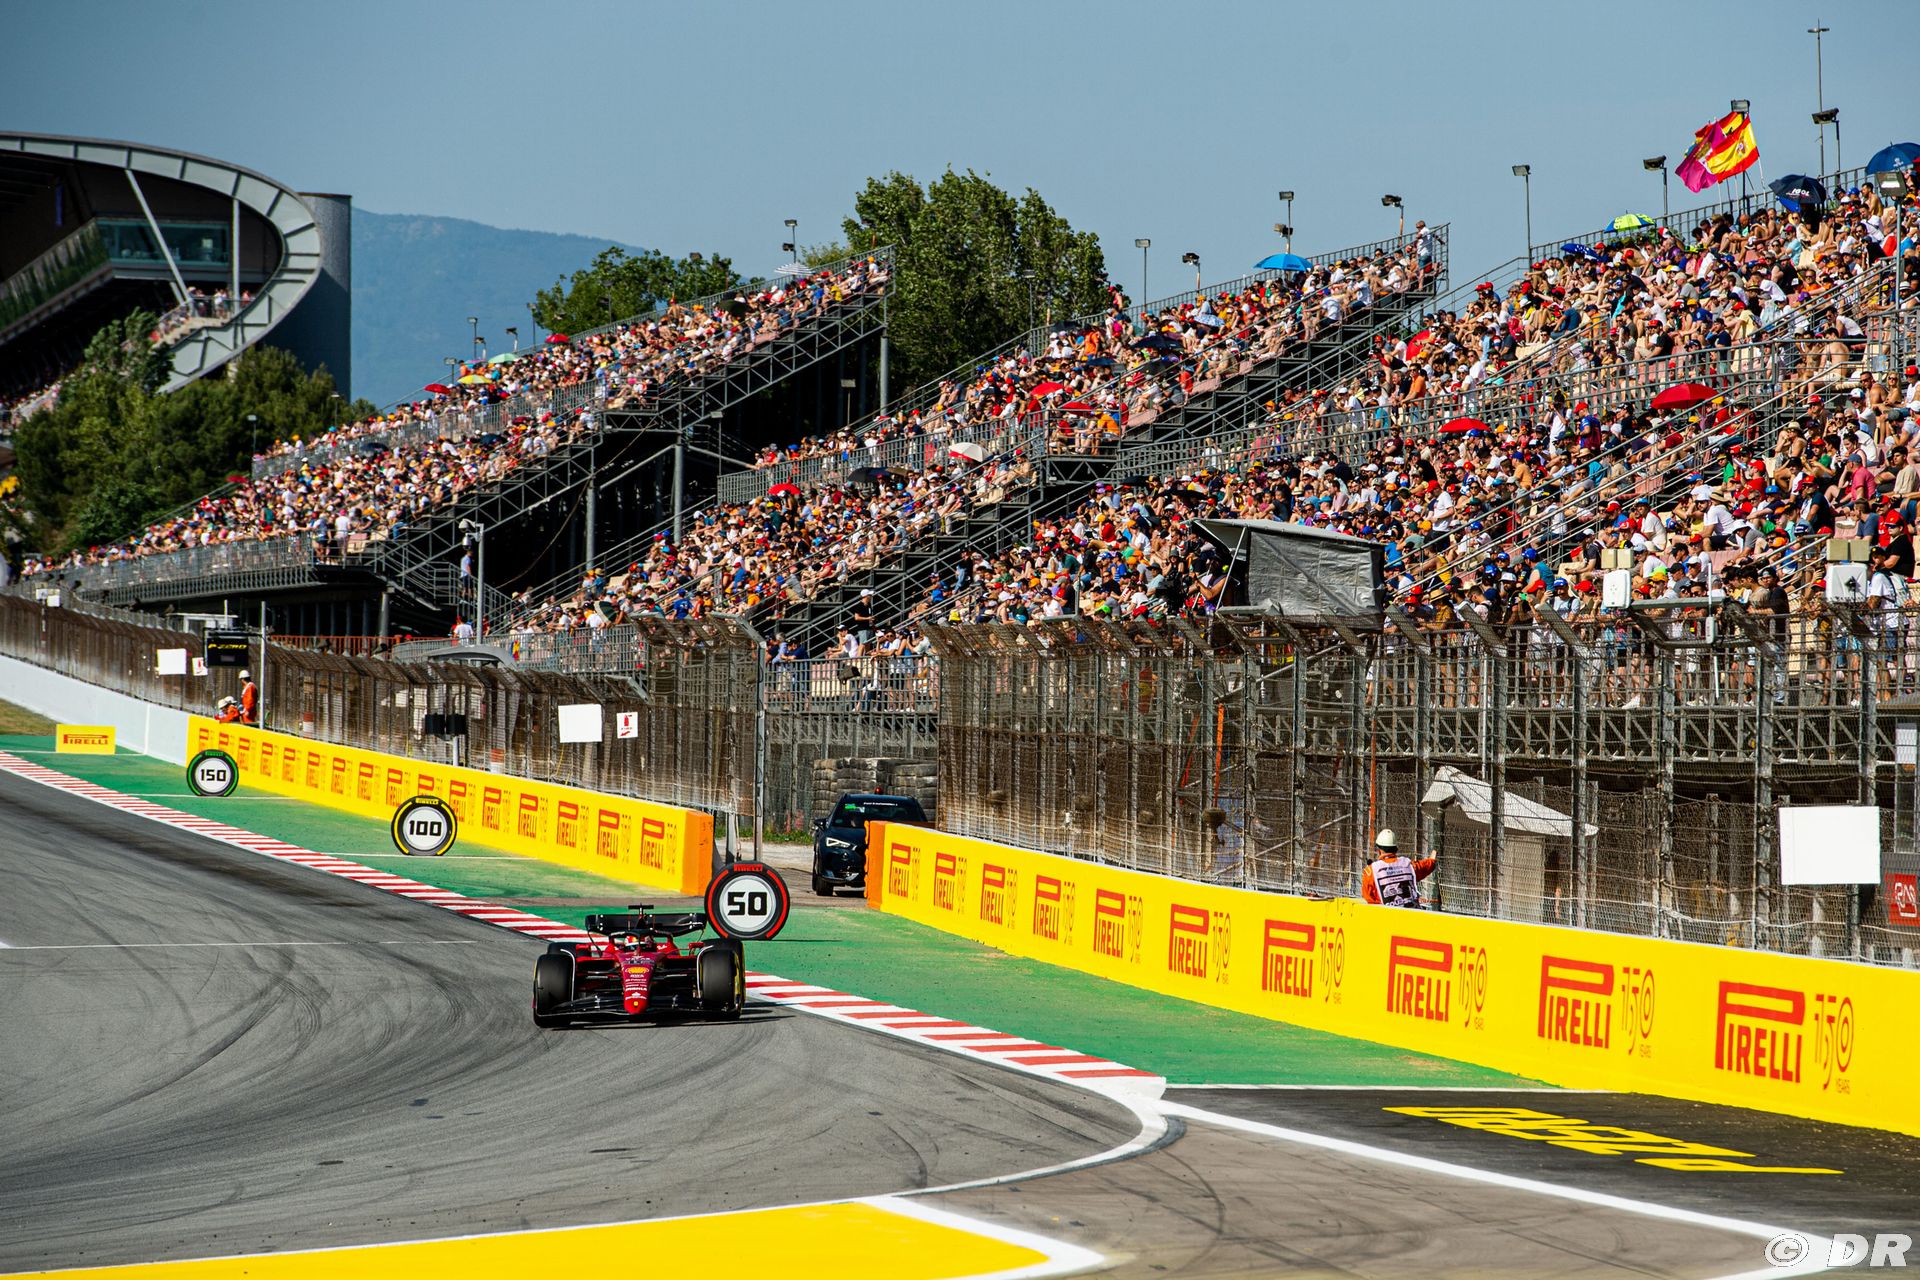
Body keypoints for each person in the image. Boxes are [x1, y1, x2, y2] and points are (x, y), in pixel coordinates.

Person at [1362, 828, 1437, 909]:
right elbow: (1426, 866)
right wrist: (1433, 856)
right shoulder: (1408, 866)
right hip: (1413, 914)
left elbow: (1369, 900)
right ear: (1395, 850)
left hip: (1387, 915)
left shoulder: (1371, 871)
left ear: (1379, 851)